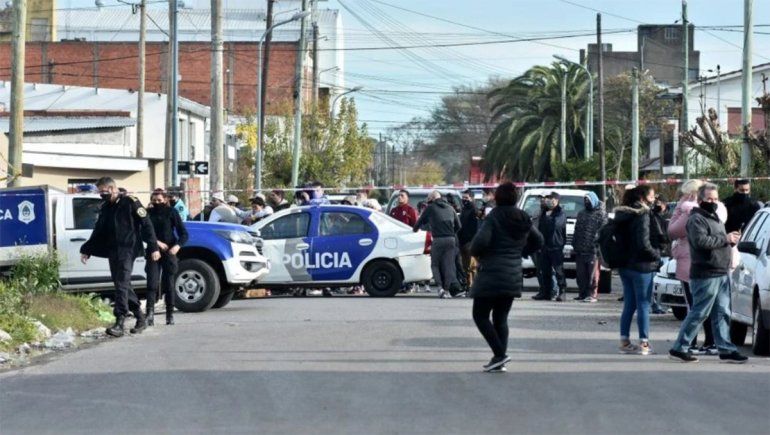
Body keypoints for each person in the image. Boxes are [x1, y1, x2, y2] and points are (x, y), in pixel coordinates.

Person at [668, 183, 748, 364]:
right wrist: (725, 238)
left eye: (715, 199)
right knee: (700, 312)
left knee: (722, 312)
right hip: (705, 273)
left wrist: (731, 240)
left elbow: (718, 241)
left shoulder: (715, 217)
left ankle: (725, 349)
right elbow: (701, 241)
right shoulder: (696, 219)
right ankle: (679, 347)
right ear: (700, 199)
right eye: (708, 199)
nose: (712, 202)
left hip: (721, 271)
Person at [470, 182, 544, 372]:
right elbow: (539, 240)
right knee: (501, 318)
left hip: (491, 273)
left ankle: (500, 354)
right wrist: (520, 251)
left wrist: (477, 252)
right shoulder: (523, 217)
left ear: (498, 197)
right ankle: (498, 359)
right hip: (513, 273)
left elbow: (480, 243)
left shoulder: (494, 216)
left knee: (480, 315)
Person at [80, 177, 160, 337]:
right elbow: (98, 230)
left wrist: (153, 247)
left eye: (102, 191)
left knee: (122, 283)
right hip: (113, 250)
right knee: (122, 285)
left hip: (128, 249)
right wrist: (87, 249)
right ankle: (140, 317)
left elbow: (147, 224)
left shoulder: (130, 202)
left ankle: (120, 321)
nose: (100, 194)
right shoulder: (106, 207)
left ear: (111, 189)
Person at [668, 180, 716, 354]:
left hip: (690, 262)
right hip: (707, 263)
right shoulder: (714, 210)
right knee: (706, 304)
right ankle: (710, 341)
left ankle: (691, 342)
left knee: (694, 306)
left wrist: (680, 211)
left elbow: (673, 230)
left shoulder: (688, 211)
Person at [614, 185, 661, 356]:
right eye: (652, 196)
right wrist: (656, 255)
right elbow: (643, 243)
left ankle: (624, 341)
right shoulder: (642, 215)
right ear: (642, 198)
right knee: (643, 304)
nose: (654, 199)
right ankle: (644, 343)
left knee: (630, 304)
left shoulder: (622, 214)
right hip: (642, 265)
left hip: (624, 265)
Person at [145, 189, 188, 326]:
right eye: (154, 200)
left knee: (169, 284)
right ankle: (149, 315)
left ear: (165, 200)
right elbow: (143, 233)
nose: (157, 203)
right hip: (153, 250)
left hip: (170, 251)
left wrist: (177, 246)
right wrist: (156, 243)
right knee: (152, 283)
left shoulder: (171, 212)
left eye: (159, 200)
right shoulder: (148, 213)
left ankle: (170, 315)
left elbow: (183, 234)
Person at [413, 190, 462, 298]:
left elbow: (420, 222)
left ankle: (440, 288)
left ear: (432, 199)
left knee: (434, 264)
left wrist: (414, 230)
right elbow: (459, 225)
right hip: (451, 239)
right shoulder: (450, 208)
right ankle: (447, 290)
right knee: (449, 265)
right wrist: (451, 233)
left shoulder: (430, 208)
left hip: (438, 239)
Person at [572, 192, 607, 302]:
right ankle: (582, 294)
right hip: (580, 250)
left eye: (588, 200)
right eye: (585, 200)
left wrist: (597, 245)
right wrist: (574, 243)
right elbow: (576, 230)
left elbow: (604, 231)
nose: (586, 202)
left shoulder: (601, 214)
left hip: (593, 251)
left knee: (593, 275)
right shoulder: (581, 213)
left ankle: (592, 295)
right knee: (581, 275)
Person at [534, 192, 567, 301]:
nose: (550, 201)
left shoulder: (560, 213)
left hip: (556, 246)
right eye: (549, 199)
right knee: (545, 271)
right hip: (545, 246)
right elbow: (541, 226)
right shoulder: (544, 212)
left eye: (552, 199)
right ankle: (545, 292)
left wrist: (548, 217)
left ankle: (562, 292)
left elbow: (555, 225)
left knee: (558, 271)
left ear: (557, 201)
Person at [650, 195, 671, 314]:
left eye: (660, 203)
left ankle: (664, 304)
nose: (658, 205)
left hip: (666, 252)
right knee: (654, 281)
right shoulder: (651, 216)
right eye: (656, 203)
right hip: (656, 252)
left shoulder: (670, 217)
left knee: (664, 280)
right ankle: (654, 304)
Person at [458, 190, 479, 286]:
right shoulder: (464, 209)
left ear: (472, 198)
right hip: (463, 241)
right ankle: (468, 285)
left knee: (472, 266)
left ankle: (474, 285)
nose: (464, 199)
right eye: (463, 197)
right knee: (465, 266)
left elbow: (476, 226)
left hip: (471, 241)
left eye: (466, 198)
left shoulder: (474, 209)